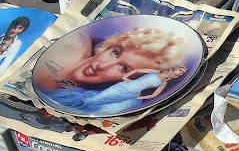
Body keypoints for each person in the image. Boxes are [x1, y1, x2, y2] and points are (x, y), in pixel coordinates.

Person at [33, 27, 188, 94]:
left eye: (124, 68)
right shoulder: (74, 44)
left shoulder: (93, 98)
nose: (103, 66)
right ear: (109, 46)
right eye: (115, 53)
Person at [50, 66, 188, 115]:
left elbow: (154, 94)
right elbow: (137, 70)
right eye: (174, 70)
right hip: (124, 86)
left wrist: (141, 97)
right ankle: (67, 104)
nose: (172, 73)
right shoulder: (156, 71)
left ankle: (72, 108)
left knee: (102, 101)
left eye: (176, 74)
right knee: (100, 97)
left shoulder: (163, 83)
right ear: (172, 69)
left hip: (130, 93)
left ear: (175, 76)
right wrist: (126, 77)